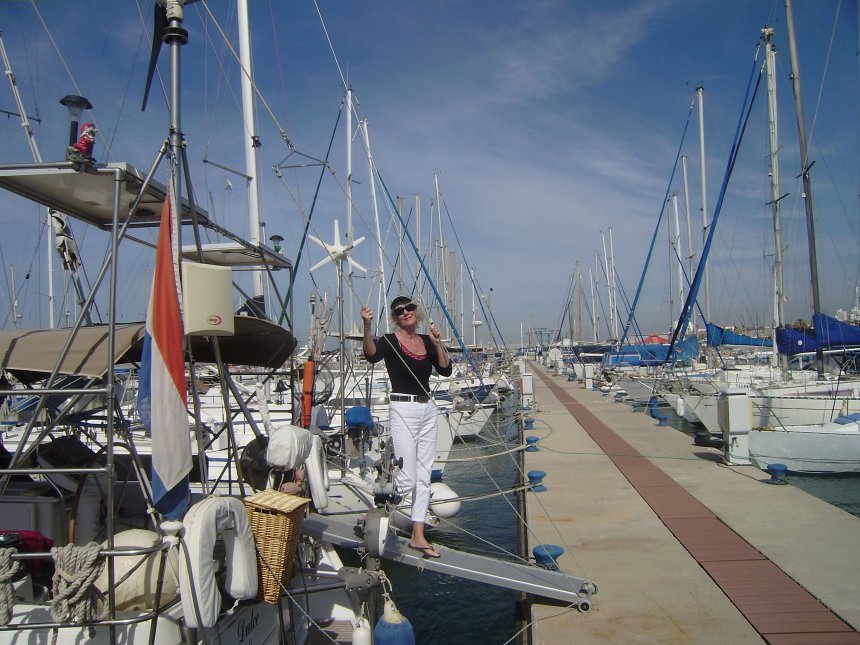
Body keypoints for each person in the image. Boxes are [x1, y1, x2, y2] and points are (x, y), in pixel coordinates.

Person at [361, 296, 452, 558]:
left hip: (427, 409)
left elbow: (445, 370)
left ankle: (418, 536)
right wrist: (367, 327)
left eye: (409, 308)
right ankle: (373, 513)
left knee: (424, 476)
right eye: (399, 311)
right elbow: (371, 356)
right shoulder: (390, 341)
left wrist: (438, 343)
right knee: (408, 476)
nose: (405, 313)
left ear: (416, 311)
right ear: (394, 317)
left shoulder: (425, 341)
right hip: (403, 408)